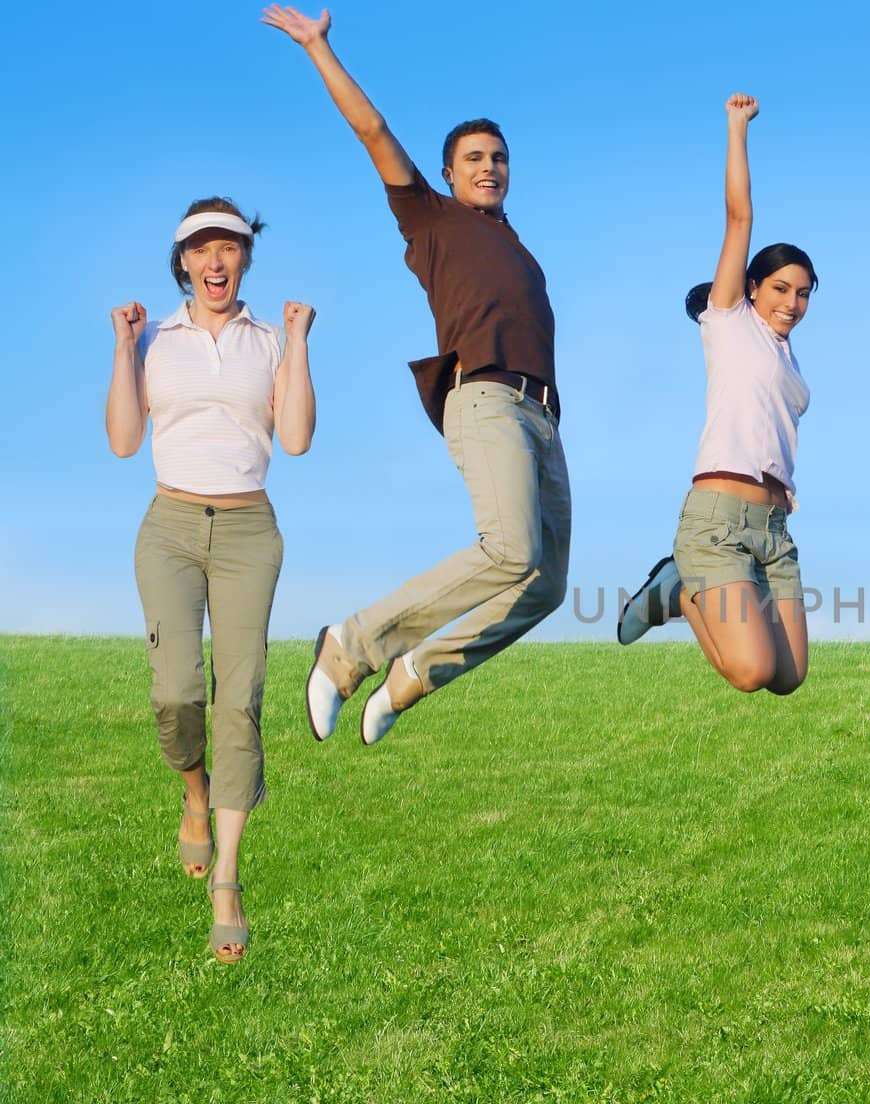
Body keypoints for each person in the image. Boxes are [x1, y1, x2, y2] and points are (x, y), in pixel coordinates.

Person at [264, 4, 568, 746]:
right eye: (474, 158)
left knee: (546, 584)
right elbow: (373, 132)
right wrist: (319, 49)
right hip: (485, 395)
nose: (489, 166)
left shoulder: (515, 244)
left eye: (498, 157)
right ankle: (352, 646)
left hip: (543, 417)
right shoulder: (429, 219)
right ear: (446, 174)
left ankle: (414, 673)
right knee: (509, 550)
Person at [107, 197, 317, 963]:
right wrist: (124, 347)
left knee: (243, 695)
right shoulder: (156, 337)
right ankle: (193, 793)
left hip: (247, 531)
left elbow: (293, 438)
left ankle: (227, 877)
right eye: (203, 249)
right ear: (184, 263)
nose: (217, 260)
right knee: (176, 693)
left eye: (230, 245)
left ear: (245, 257)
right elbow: (125, 443)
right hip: (167, 527)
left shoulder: (269, 339)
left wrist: (297, 343)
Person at [615, 93, 814, 697]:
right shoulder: (728, 323)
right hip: (718, 522)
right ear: (751, 288)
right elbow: (739, 218)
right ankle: (677, 587)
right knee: (751, 672)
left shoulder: (788, 357)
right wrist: (737, 129)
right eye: (780, 288)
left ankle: (685, 587)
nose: (791, 303)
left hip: (773, 530)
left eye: (804, 294)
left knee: (788, 677)